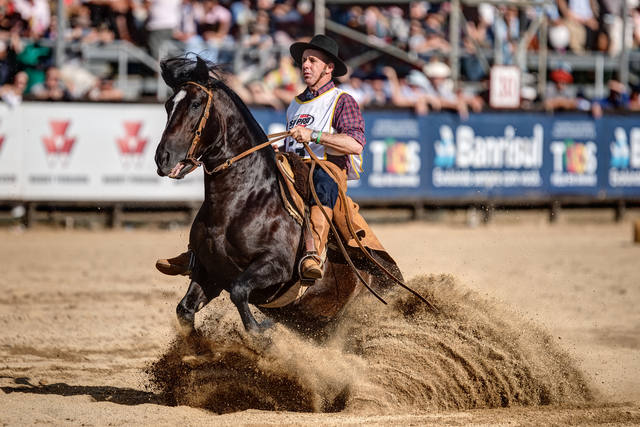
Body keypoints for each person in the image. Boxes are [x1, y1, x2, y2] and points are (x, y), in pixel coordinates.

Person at [156, 34, 365, 282]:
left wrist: (314, 135)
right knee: (240, 186)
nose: (305, 66)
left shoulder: (342, 101)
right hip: (293, 168)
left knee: (322, 179)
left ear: (329, 68)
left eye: (312, 61)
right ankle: (199, 253)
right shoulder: (296, 104)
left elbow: (355, 144)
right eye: (304, 61)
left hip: (325, 170)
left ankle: (314, 253)